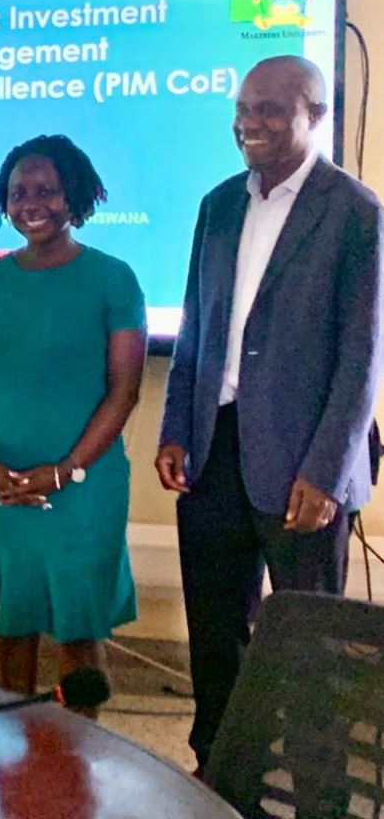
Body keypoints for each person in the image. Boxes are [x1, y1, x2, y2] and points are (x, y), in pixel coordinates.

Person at [156, 55, 384, 773]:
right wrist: (173, 427)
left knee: (308, 637)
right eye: (244, 109)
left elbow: (363, 359)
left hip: (303, 462)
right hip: (212, 448)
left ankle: (319, 777)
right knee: (216, 627)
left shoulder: (356, 212)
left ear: (314, 115)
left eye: (271, 110)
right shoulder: (218, 204)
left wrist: (327, 471)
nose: (250, 124)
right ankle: (219, 765)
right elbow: (196, 325)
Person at [0, 134, 146, 703]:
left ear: (75, 197)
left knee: (78, 629)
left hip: (82, 489)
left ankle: (79, 763)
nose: (30, 202)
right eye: (17, 192)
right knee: (11, 625)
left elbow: (124, 391)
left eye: (47, 191)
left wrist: (63, 471)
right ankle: (19, 764)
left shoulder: (113, 277)